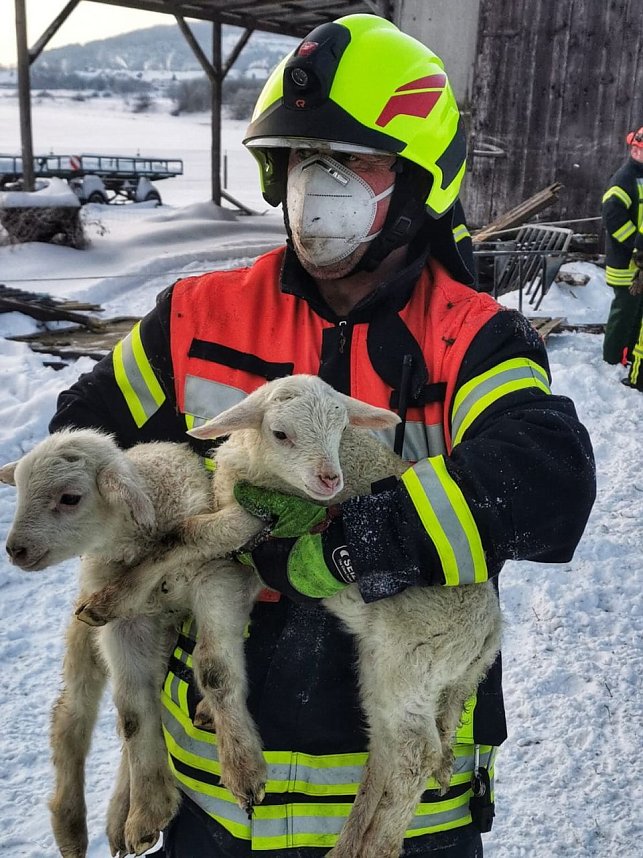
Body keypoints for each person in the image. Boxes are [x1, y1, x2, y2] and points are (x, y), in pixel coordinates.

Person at [49, 14, 596, 858]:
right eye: (302, 157)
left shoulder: (471, 338)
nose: (318, 183)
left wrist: (355, 542)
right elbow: (75, 450)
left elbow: (546, 479)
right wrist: (201, 495)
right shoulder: (196, 315)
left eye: (352, 160)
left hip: (400, 816)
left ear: (417, 181)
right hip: (217, 802)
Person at [601, 126, 643, 366]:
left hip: (638, 262)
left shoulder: (639, 176)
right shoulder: (624, 179)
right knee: (624, 313)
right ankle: (613, 357)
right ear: (633, 149)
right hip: (626, 263)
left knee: (636, 313)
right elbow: (613, 218)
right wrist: (636, 246)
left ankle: (629, 353)